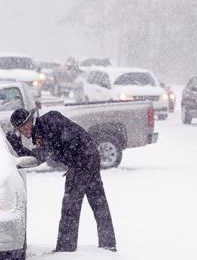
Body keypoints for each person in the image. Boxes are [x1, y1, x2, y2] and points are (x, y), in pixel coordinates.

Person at [7, 108, 117, 252]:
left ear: (27, 123)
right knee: (98, 201)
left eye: (20, 129)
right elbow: (42, 154)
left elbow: (38, 157)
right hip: (90, 157)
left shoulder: (47, 125)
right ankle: (108, 243)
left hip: (81, 162)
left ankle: (66, 248)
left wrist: (18, 146)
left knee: (70, 205)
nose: (22, 133)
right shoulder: (44, 127)